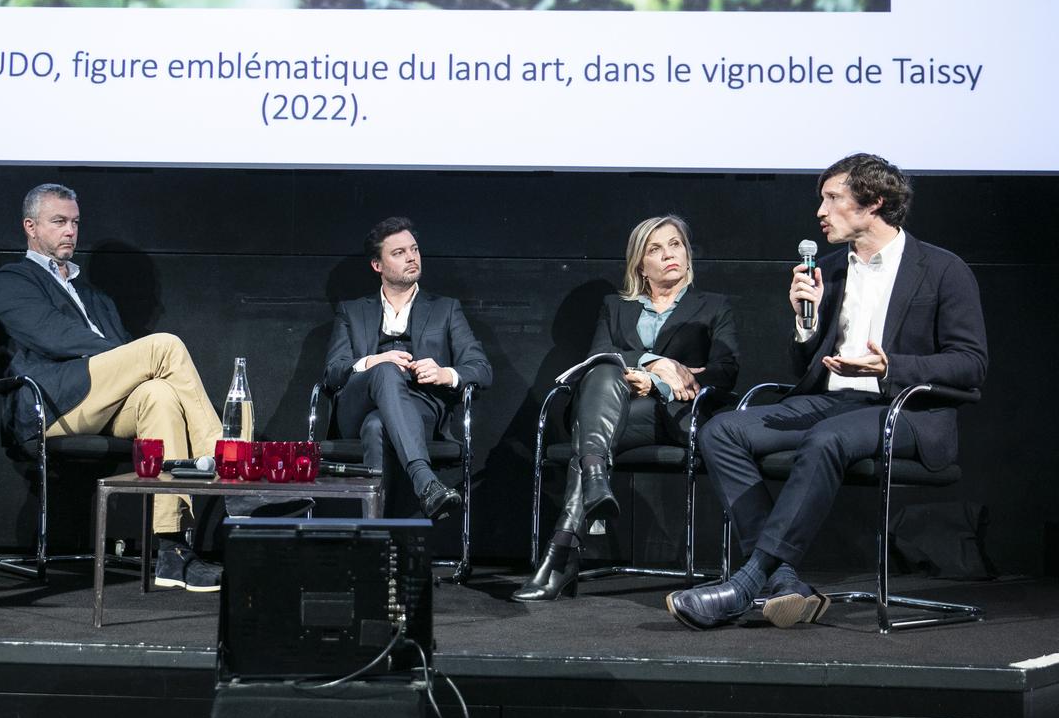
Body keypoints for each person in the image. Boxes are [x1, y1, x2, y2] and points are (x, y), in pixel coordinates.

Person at [669, 153, 988, 630]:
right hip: (831, 400)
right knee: (721, 430)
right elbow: (806, 368)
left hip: (904, 409)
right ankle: (784, 581)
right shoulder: (831, 269)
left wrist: (890, 366)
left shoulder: (941, 269)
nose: (821, 210)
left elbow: (971, 362)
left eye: (833, 198)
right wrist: (805, 321)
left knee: (827, 439)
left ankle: (748, 582)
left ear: (874, 202)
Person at [0, 184, 224, 592]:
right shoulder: (13, 280)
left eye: (75, 223)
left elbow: (129, 363)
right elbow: (52, 336)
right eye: (59, 222)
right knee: (163, 346)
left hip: (101, 403)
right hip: (51, 404)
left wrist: (131, 359)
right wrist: (129, 355)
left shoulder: (94, 296)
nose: (70, 231)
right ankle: (231, 465)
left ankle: (170, 549)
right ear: (30, 227)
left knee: (160, 396)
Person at [513, 216, 739, 602]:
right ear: (640, 265)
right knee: (602, 367)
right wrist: (653, 360)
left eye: (676, 244)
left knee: (590, 433)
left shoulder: (714, 307)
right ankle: (585, 499)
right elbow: (598, 358)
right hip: (617, 413)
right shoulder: (615, 307)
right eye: (655, 249)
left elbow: (725, 371)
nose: (669, 254)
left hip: (673, 416)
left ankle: (562, 550)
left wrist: (661, 382)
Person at [322, 217, 493, 520]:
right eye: (399, 253)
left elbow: (481, 369)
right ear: (378, 265)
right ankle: (425, 482)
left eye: (414, 249)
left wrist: (445, 373)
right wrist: (372, 362)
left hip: (420, 409)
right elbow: (333, 373)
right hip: (357, 405)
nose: (411, 257)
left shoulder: (445, 308)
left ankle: (376, 541)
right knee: (385, 371)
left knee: (377, 426)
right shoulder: (351, 311)